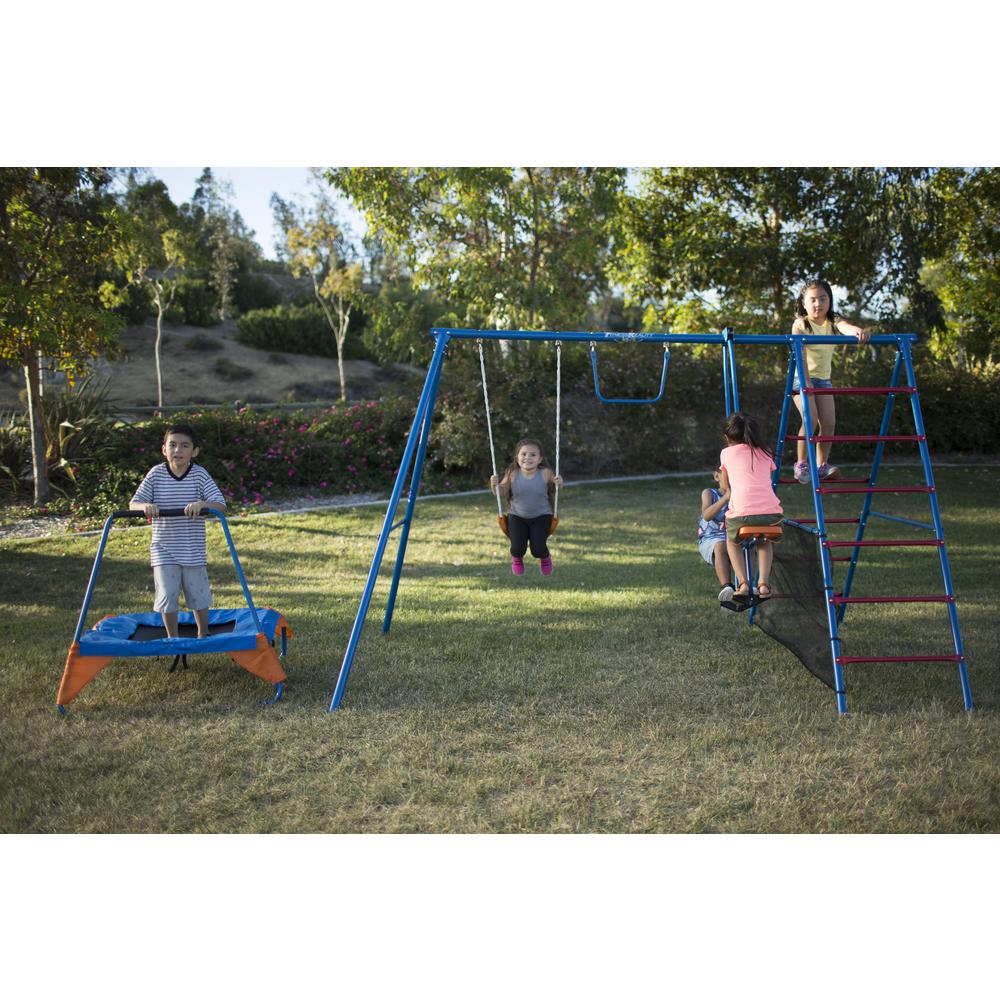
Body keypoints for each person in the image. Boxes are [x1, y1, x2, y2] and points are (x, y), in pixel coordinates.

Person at [129, 423, 227, 639]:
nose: (178, 450)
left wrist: (202, 504)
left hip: (191, 548)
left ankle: (203, 633)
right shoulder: (156, 474)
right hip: (163, 548)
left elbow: (220, 504)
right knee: (167, 594)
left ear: (194, 451)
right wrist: (145, 506)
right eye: (172, 445)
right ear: (164, 449)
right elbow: (133, 503)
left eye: (184, 446)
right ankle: (172, 637)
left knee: (198, 592)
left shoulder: (199, 475)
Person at [791, 278, 871, 483]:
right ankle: (801, 464)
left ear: (830, 301)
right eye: (813, 300)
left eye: (823, 299)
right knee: (810, 419)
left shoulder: (833, 320)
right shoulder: (801, 324)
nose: (818, 304)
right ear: (804, 303)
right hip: (802, 379)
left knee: (828, 423)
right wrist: (807, 382)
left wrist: (857, 332)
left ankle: (822, 465)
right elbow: (799, 356)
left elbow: (846, 327)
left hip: (823, 380)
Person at [719, 412, 783, 602]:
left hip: (741, 515)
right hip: (771, 513)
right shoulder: (766, 451)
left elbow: (725, 486)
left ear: (728, 437)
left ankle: (743, 583)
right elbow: (766, 480)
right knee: (764, 541)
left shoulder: (726, 453)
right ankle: (763, 584)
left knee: (732, 542)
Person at [490, 438, 564, 576]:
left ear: (540, 459)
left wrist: (559, 481)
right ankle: (517, 560)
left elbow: (557, 487)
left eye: (533, 455)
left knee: (538, 549)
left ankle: (545, 559)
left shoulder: (545, 473)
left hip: (542, 516)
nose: (527, 457)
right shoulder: (512, 473)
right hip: (517, 516)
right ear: (517, 457)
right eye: (523, 454)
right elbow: (500, 492)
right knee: (517, 548)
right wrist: (494, 485)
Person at [699, 467, 734, 603]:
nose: (732, 479)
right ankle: (727, 587)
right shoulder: (709, 493)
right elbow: (706, 515)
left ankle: (748, 585)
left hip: (733, 536)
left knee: (752, 546)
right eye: (728, 475)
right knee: (720, 546)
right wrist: (725, 498)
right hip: (711, 537)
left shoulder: (739, 496)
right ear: (716, 476)